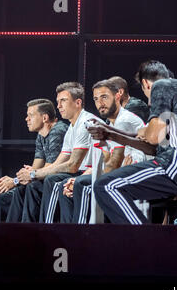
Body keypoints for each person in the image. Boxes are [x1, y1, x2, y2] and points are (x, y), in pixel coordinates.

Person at [89, 60, 177, 224]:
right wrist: (111, 134)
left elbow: (152, 137)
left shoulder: (162, 86)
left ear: (146, 83)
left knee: (106, 186)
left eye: (146, 93)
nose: (150, 102)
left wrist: (145, 130)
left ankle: (144, 239)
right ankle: (150, 238)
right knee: (147, 202)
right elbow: (152, 148)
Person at [58, 79, 146, 223]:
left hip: (136, 175)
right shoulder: (107, 125)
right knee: (68, 185)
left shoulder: (125, 121)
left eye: (104, 97)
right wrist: (76, 179)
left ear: (118, 96)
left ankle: (79, 236)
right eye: (96, 99)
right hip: (118, 172)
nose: (100, 103)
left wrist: (80, 180)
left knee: (82, 186)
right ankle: (68, 233)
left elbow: (116, 164)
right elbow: (104, 161)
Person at [20, 82, 98, 223]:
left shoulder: (86, 122)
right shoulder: (71, 127)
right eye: (58, 102)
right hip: (79, 172)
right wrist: (34, 175)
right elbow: (59, 162)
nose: (58, 106)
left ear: (78, 102)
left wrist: (34, 173)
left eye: (63, 101)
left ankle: (49, 230)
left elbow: (73, 165)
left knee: (52, 180)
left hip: (88, 172)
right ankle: (30, 232)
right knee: (34, 185)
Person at [0, 99, 67, 222]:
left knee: (26, 188)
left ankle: (23, 232)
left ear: (44, 117)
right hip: (44, 177)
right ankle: (20, 230)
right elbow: (37, 167)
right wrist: (15, 180)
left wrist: (15, 181)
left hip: (60, 178)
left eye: (30, 115)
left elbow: (49, 170)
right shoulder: (41, 135)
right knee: (4, 197)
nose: (26, 119)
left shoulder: (57, 131)